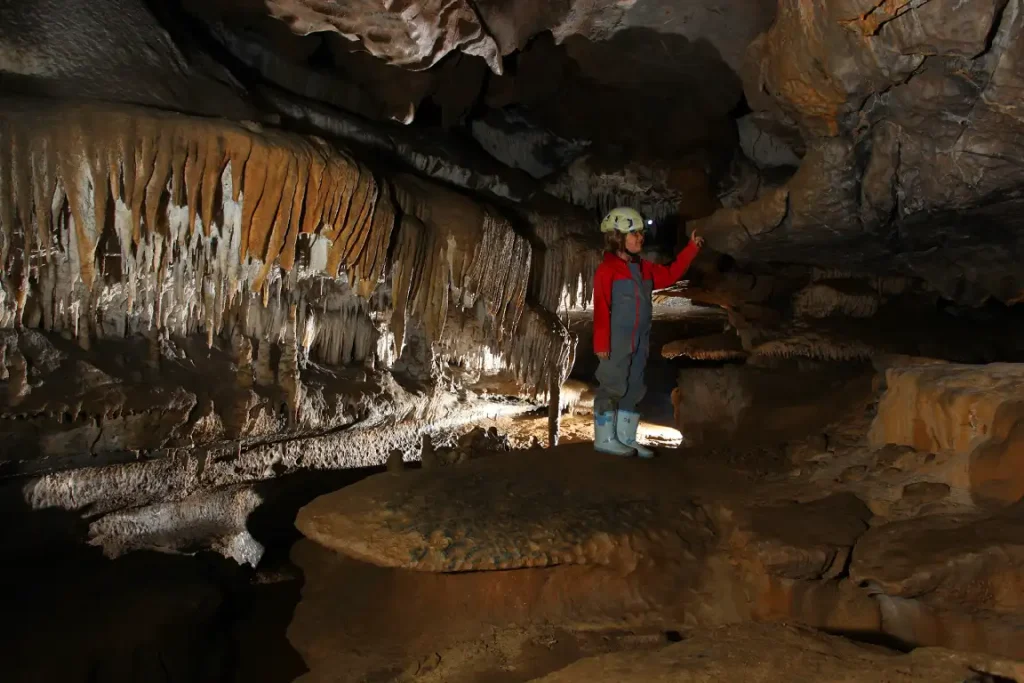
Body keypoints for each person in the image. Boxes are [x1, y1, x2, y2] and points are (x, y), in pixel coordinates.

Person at [591, 207, 704, 458]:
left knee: (634, 386)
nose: (640, 238)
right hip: (616, 339)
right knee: (612, 385)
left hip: (640, 338)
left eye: (641, 233)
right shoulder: (607, 270)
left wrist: (691, 249)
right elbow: (601, 306)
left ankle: (626, 438)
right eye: (634, 233)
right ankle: (605, 438)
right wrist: (601, 343)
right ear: (617, 237)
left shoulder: (643, 268)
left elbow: (671, 274)